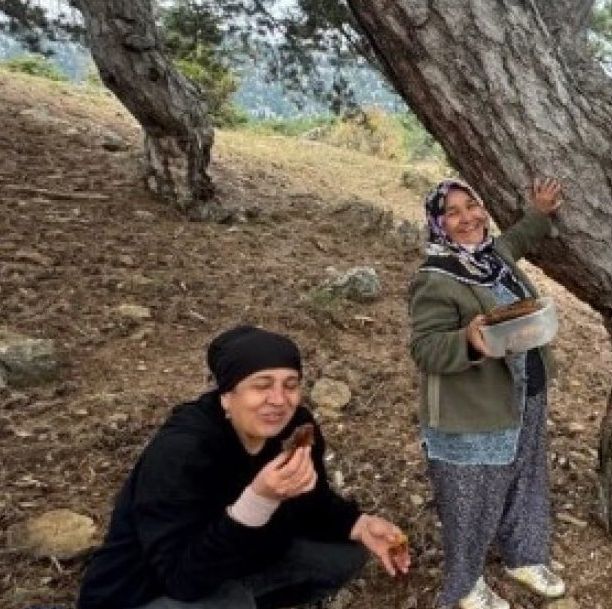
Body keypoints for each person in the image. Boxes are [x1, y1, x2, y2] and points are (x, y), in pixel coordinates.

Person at [77, 326, 410, 609]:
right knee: (228, 601)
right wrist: (259, 499)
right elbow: (182, 577)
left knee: (343, 556)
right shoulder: (182, 451)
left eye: (290, 385)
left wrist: (359, 524)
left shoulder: (296, 428)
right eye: (262, 386)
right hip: (146, 591)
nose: (279, 400)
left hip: (233, 564)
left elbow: (311, 503)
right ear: (226, 395)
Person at [409, 177, 566, 609]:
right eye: (452, 213)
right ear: (438, 224)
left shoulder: (492, 257)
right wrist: (467, 341)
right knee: (472, 498)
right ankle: (465, 586)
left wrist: (539, 211)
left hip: (526, 394)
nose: (468, 219)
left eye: (472, 206)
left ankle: (524, 557)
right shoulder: (435, 279)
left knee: (525, 477)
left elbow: (516, 239)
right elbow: (423, 347)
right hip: (474, 411)